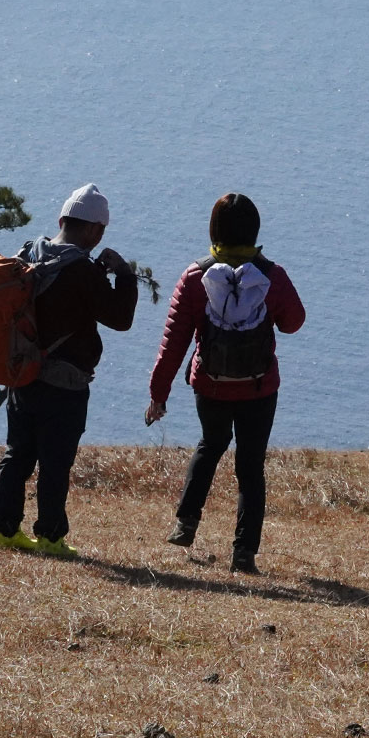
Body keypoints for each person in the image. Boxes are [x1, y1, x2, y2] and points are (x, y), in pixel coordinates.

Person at [146, 192, 304, 574]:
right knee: (251, 468)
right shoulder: (271, 276)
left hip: (211, 386)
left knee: (210, 445)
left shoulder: (196, 276)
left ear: (213, 230)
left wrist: (158, 395)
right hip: (259, 387)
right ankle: (244, 552)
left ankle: (186, 523)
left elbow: (174, 340)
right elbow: (294, 321)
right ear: (255, 230)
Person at [0, 183, 138, 558]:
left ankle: (4, 529)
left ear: (61, 220)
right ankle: (51, 537)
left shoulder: (28, 254)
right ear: (95, 230)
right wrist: (124, 274)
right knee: (55, 462)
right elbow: (120, 318)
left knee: (17, 453)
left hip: (22, 374)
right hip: (65, 383)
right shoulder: (83, 272)